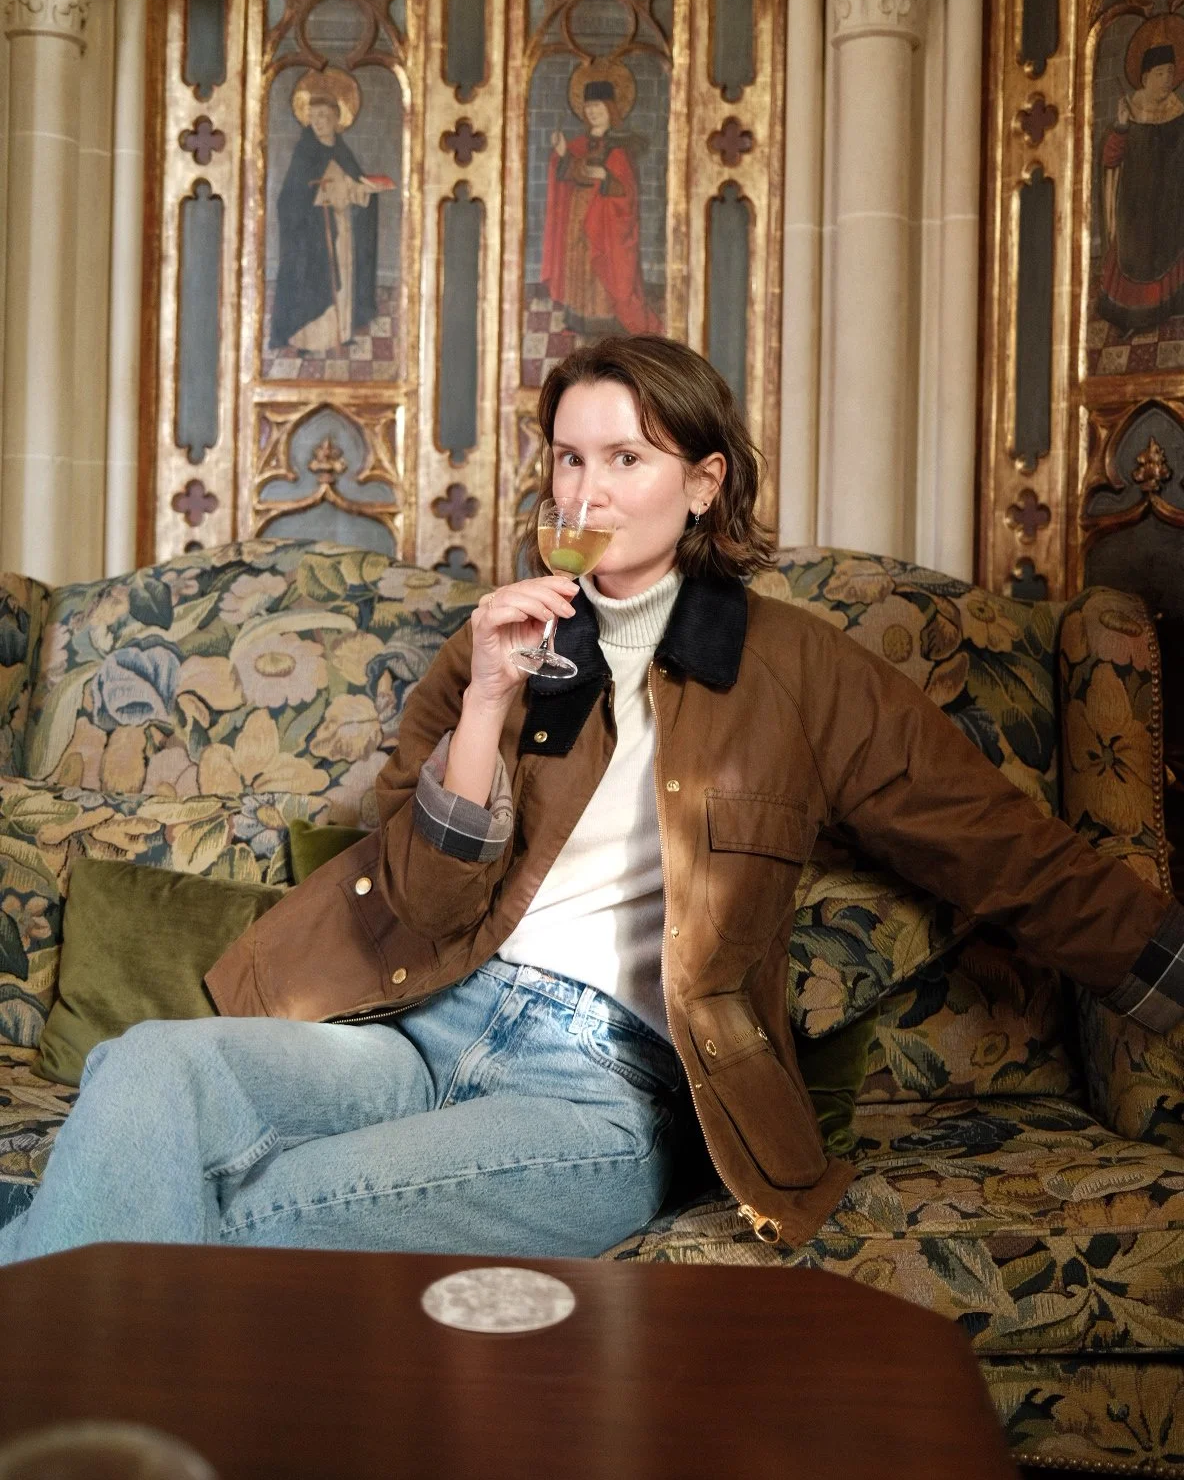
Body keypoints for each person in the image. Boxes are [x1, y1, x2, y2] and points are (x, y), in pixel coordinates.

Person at [3, 336, 1182, 1265]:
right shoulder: (497, 645)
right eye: (570, 459)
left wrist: (1166, 974)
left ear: (704, 483)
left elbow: (1004, 852)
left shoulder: (801, 674)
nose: (590, 488)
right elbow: (421, 897)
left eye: (626, 458)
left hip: (600, 1096)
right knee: (146, 1070)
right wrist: (482, 704)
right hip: (422, 1028)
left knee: (250, 1218)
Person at [269, 70, 384, 355]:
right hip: (312, 233)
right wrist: (317, 198)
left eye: (323, 116)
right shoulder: (305, 151)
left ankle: (340, 333)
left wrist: (363, 191)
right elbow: (289, 198)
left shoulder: (342, 150)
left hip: (340, 228)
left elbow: (353, 184)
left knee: (343, 275)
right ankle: (308, 339)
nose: (317, 122)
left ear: (336, 118)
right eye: (313, 116)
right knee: (314, 279)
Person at [540, 67, 658, 337]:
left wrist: (606, 176)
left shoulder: (620, 144)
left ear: (611, 109)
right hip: (578, 213)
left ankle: (605, 319)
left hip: (605, 218)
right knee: (578, 261)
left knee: (602, 262)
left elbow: (627, 189)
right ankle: (578, 316)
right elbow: (571, 171)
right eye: (589, 107)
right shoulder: (580, 143)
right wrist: (561, 155)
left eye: (599, 107)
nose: (593, 112)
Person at [1097, 32, 1184, 333]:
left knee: (1170, 250)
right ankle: (1136, 318)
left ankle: (1169, 308)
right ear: (1145, 77)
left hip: (1169, 200)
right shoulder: (1131, 109)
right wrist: (1121, 125)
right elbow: (1110, 158)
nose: (1167, 79)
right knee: (1136, 258)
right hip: (1135, 204)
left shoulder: (1178, 110)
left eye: (1171, 73)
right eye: (1160, 73)